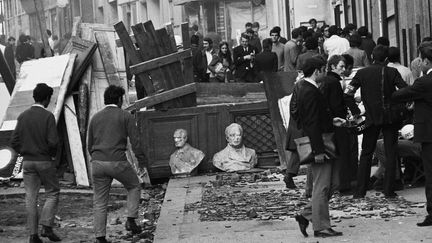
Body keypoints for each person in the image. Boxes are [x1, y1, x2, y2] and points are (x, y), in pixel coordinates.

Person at [344, 45, 407, 198]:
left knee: (366, 153)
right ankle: (389, 190)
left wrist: (357, 113)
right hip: (390, 118)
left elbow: (347, 94)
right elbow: (404, 90)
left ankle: (360, 191)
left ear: (372, 57)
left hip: (370, 118)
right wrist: (396, 103)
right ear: (386, 59)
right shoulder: (392, 72)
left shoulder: (362, 73)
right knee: (391, 152)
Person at [293, 57, 343, 238]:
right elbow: (311, 122)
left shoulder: (303, 88)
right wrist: (318, 150)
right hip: (320, 143)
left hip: (322, 140)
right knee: (322, 186)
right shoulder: (308, 90)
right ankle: (321, 226)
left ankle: (306, 215)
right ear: (317, 71)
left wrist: (330, 121)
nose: (325, 73)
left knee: (333, 183)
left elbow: (306, 118)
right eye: (323, 70)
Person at [87, 85, 145, 243]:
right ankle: (131, 219)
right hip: (117, 161)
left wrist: (97, 158)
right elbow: (135, 142)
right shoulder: (125, 116)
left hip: (98, 163)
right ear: (119, 100)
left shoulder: (95, 117)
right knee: (134, 185)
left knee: (99, 200)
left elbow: (89, 144)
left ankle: (100, 237)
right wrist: (141, 161)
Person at [10, 83, 61, 243]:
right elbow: (53, 142)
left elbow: (14, 141)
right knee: (52, 192)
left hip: (28, 162)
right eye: (49, 98)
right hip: (44, 161)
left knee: (31, 197)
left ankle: (33, 235)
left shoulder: (23, 116)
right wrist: (51, 156)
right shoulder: (48, 117)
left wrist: (24, 151)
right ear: (46, 98)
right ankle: (46, 225)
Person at [392, 41, 432, 227]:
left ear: (426, 62)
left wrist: (386, 92)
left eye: (421, 60)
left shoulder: (424, 82)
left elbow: (403, 95)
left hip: (429, 134)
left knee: (430, 174)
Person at [319, 55, 353, 193]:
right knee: (343, 153)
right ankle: (343, 185)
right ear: (332, 67)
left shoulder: (328, 81)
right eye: (341, 67)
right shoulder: (333, 82)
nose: (343, 70)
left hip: (332, 122)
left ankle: (338, 184)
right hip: (337, 123)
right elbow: (335, 104)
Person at [371, 124, 420, 190]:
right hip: (413, 133)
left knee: (387, 145)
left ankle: (394, 179)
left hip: (422, 140)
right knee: (378, 143)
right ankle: (381, 175)